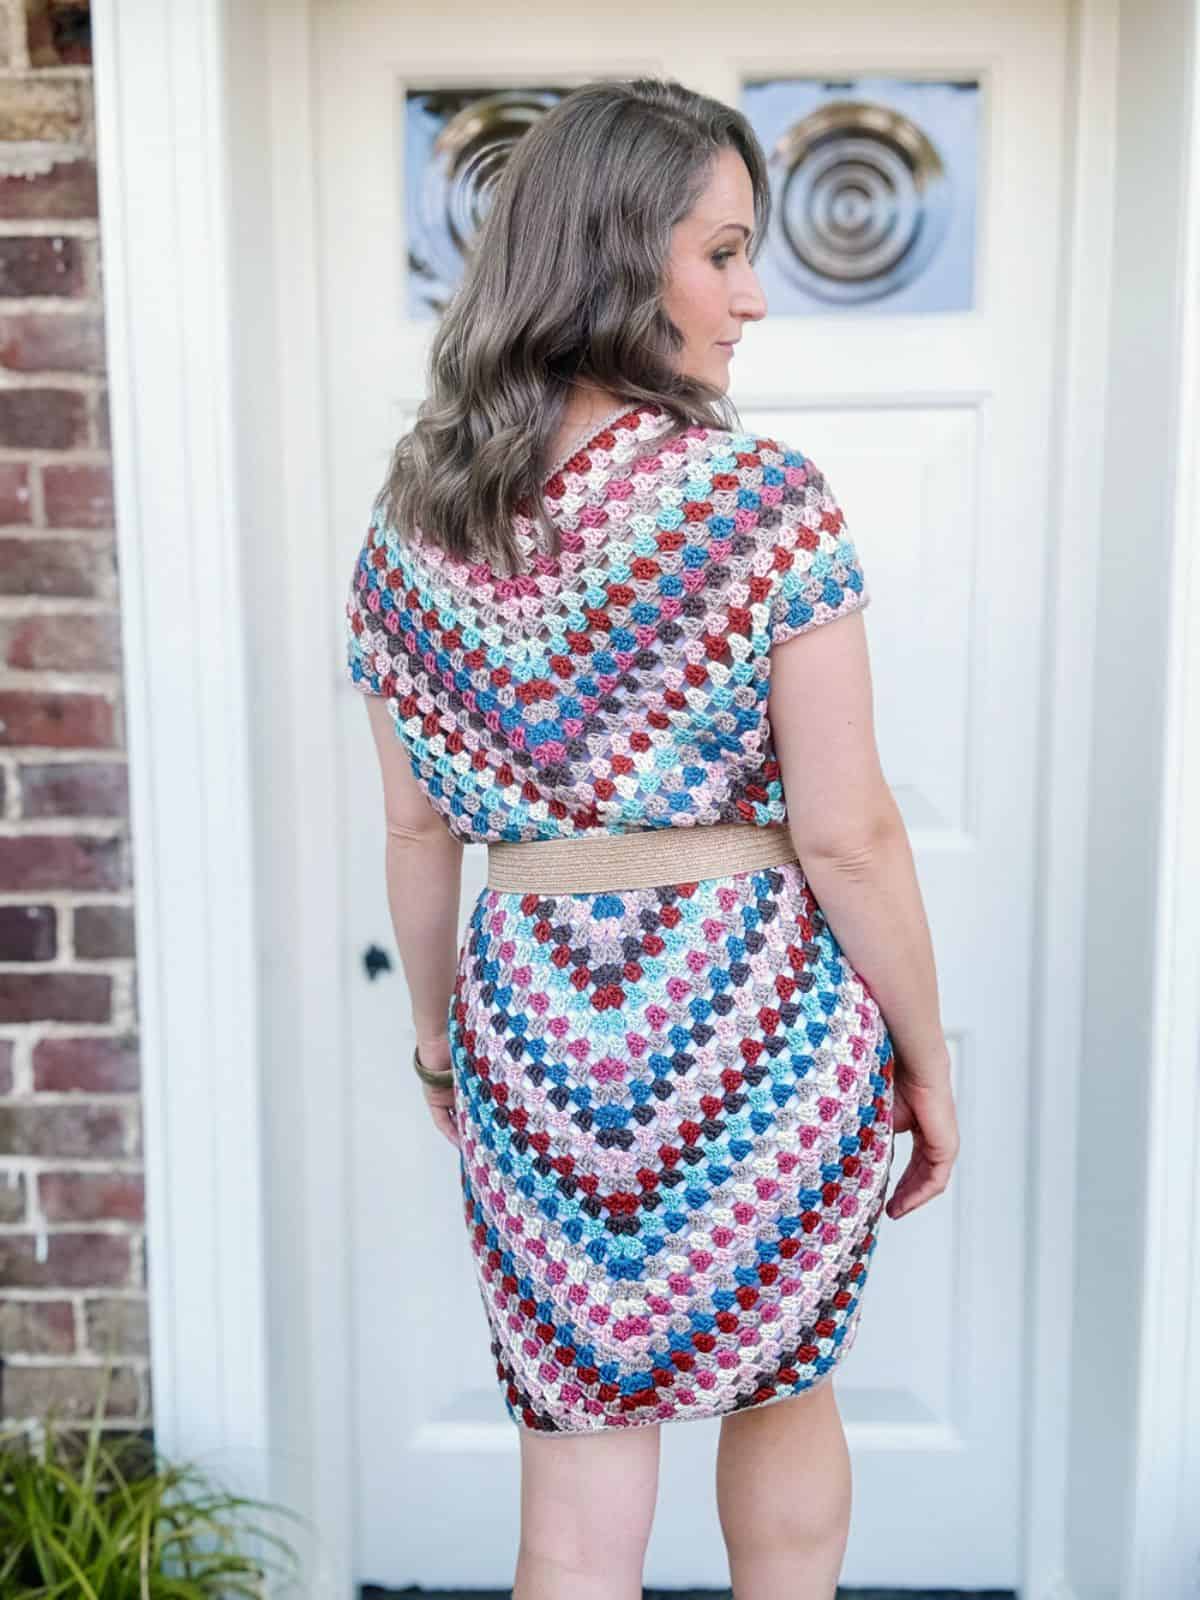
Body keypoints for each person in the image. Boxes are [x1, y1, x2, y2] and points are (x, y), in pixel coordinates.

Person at [344, 75, 959, 1600]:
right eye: (725, 253)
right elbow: (852, 835)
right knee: (784, 1382)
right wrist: (927, 1059)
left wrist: (439, 1048)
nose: (752, 300)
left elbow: (415, 837)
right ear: (621, 256)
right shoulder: (761, 502)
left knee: (572, 1478)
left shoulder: (415, 527)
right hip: (755, 1021)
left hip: (529, 1026)